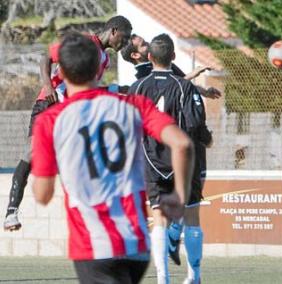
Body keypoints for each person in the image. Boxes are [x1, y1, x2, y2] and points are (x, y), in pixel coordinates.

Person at [31, 32, 194, 284]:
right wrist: (179, 195)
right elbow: (182, 144)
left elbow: (42, 194)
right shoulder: (132, 105)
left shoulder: (51, 121)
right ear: (98, 67)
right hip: (136, 245)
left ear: (61, 71)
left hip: (93, 245)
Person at [3, 15, 133, 231]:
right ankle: (11, 212)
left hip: (71, 110)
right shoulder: (83, 43)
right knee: (32, 153)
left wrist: (118, 90)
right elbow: (47, 58)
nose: (126, 42)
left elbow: (86, 90)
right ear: (113, 31)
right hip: (49, 102)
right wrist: (49, 86)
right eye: (125, 37)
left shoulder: (105, 60)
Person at [129, 33, 212, 284]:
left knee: (159, 219)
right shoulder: (184, 86)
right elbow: (196, 124)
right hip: (183, 163)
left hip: (152, 160)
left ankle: (162, 279)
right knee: (192, 217)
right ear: (173, 57)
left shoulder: (138, 87)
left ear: (150, 57)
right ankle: (194, 277)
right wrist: (206, 138)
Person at [121, 34, 221, 99]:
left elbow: (182, 83)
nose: (149, 44)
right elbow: (167, 89)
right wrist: (192, 74)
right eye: (143, 44)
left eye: (146, 41)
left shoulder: (163, 61)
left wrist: (204, 92)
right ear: (135, 55)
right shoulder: (142, 77)